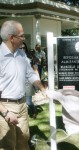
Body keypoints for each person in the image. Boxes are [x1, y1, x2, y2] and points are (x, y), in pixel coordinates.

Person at [0, 20, 47, 150]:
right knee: (9, 145)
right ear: (11, 38)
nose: (24, 38)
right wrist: (5, 112)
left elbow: (31, 75)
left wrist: (43, 89)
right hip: (5, 107)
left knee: (23, 142)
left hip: (22, 106)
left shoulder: (21, 54)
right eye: (21, 35)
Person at [21, 42, 39, 119]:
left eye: (23, 48)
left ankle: (34, 111)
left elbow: (35, 70)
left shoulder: (30, 58)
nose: (22, 49)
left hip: (28, 82)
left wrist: (38, 82)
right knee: (21, 101)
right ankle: (23, 115)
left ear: (26, 48)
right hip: (19, 83)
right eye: (20, 48)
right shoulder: (14, 58)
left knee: (28, 101)